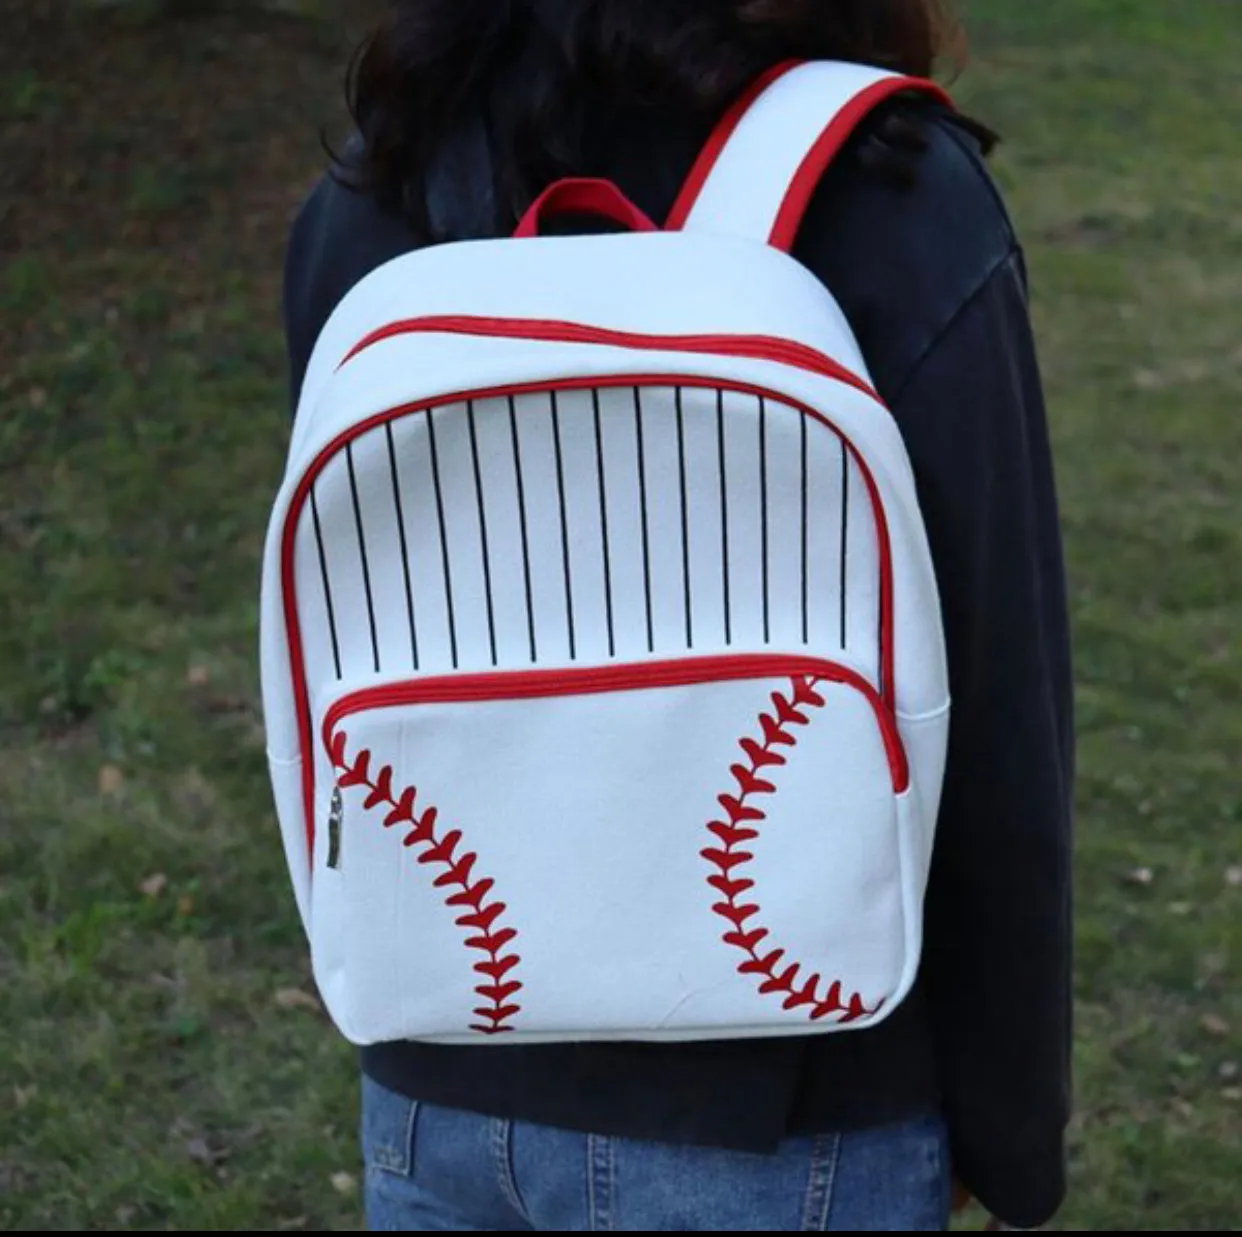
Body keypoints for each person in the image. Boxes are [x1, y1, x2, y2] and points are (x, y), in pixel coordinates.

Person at [281, 1, 1074, 1230]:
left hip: (437, 1071)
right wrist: (1010, 1124)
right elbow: (1003, 705)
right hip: (800, 1111)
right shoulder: (891, 193)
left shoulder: (378, 181)